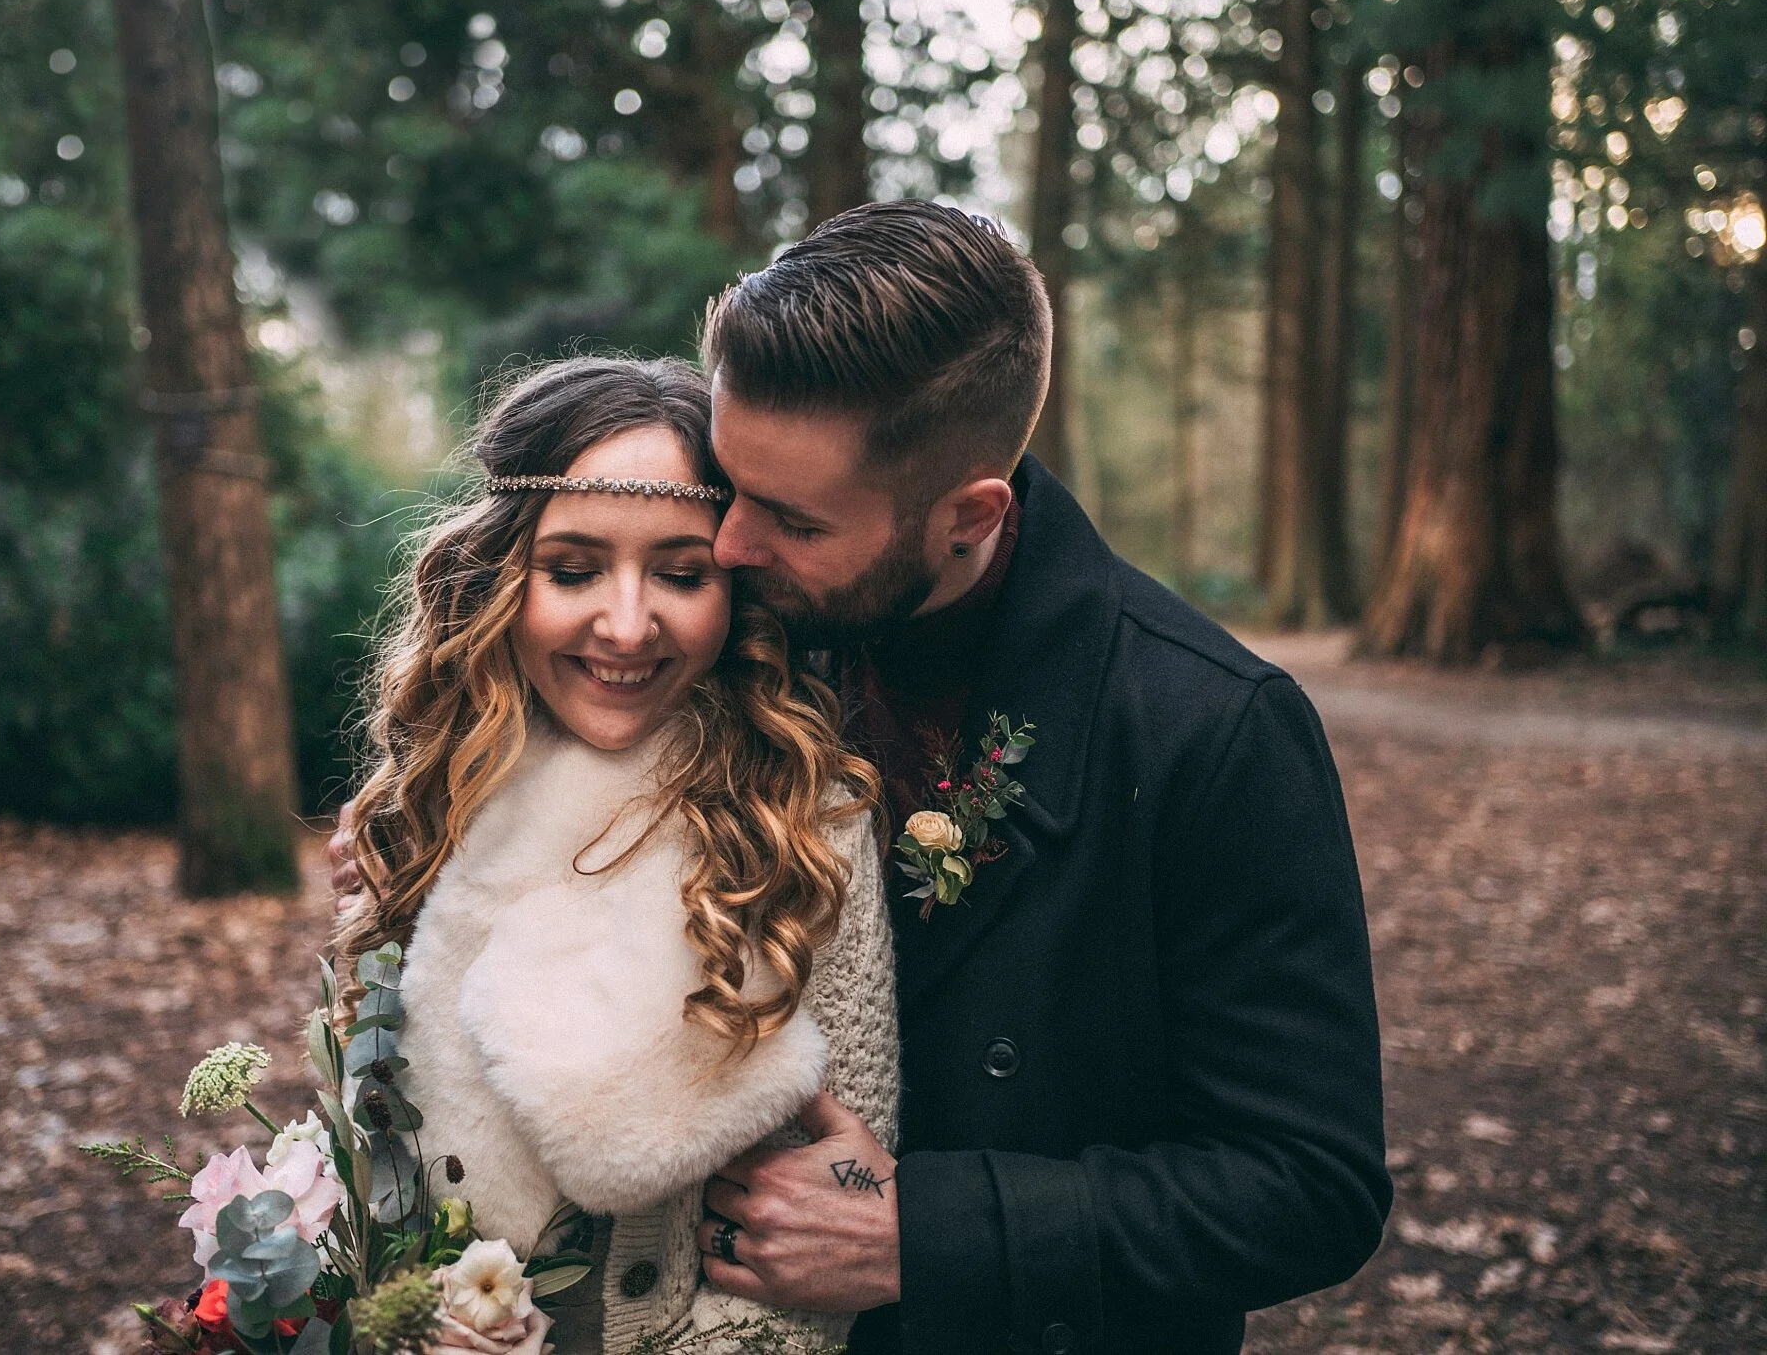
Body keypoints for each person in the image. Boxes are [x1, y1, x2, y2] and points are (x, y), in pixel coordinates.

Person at [334, 204, 1391, 1353]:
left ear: (965, 515)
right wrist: (442, 821)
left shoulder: (1207, 727)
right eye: (728, 483)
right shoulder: (747, 630)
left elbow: (1309, 1185)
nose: (729, 545)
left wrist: (927, 1237)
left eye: (787, 518)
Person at [330, 355, 900, 1355]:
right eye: (573, 569)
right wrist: (412, 1319)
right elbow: (364, 1135)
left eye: (681, 574)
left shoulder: (805, 822)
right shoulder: (437, 797)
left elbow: (823, 1234)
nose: (627, 623)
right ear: (504, 577)